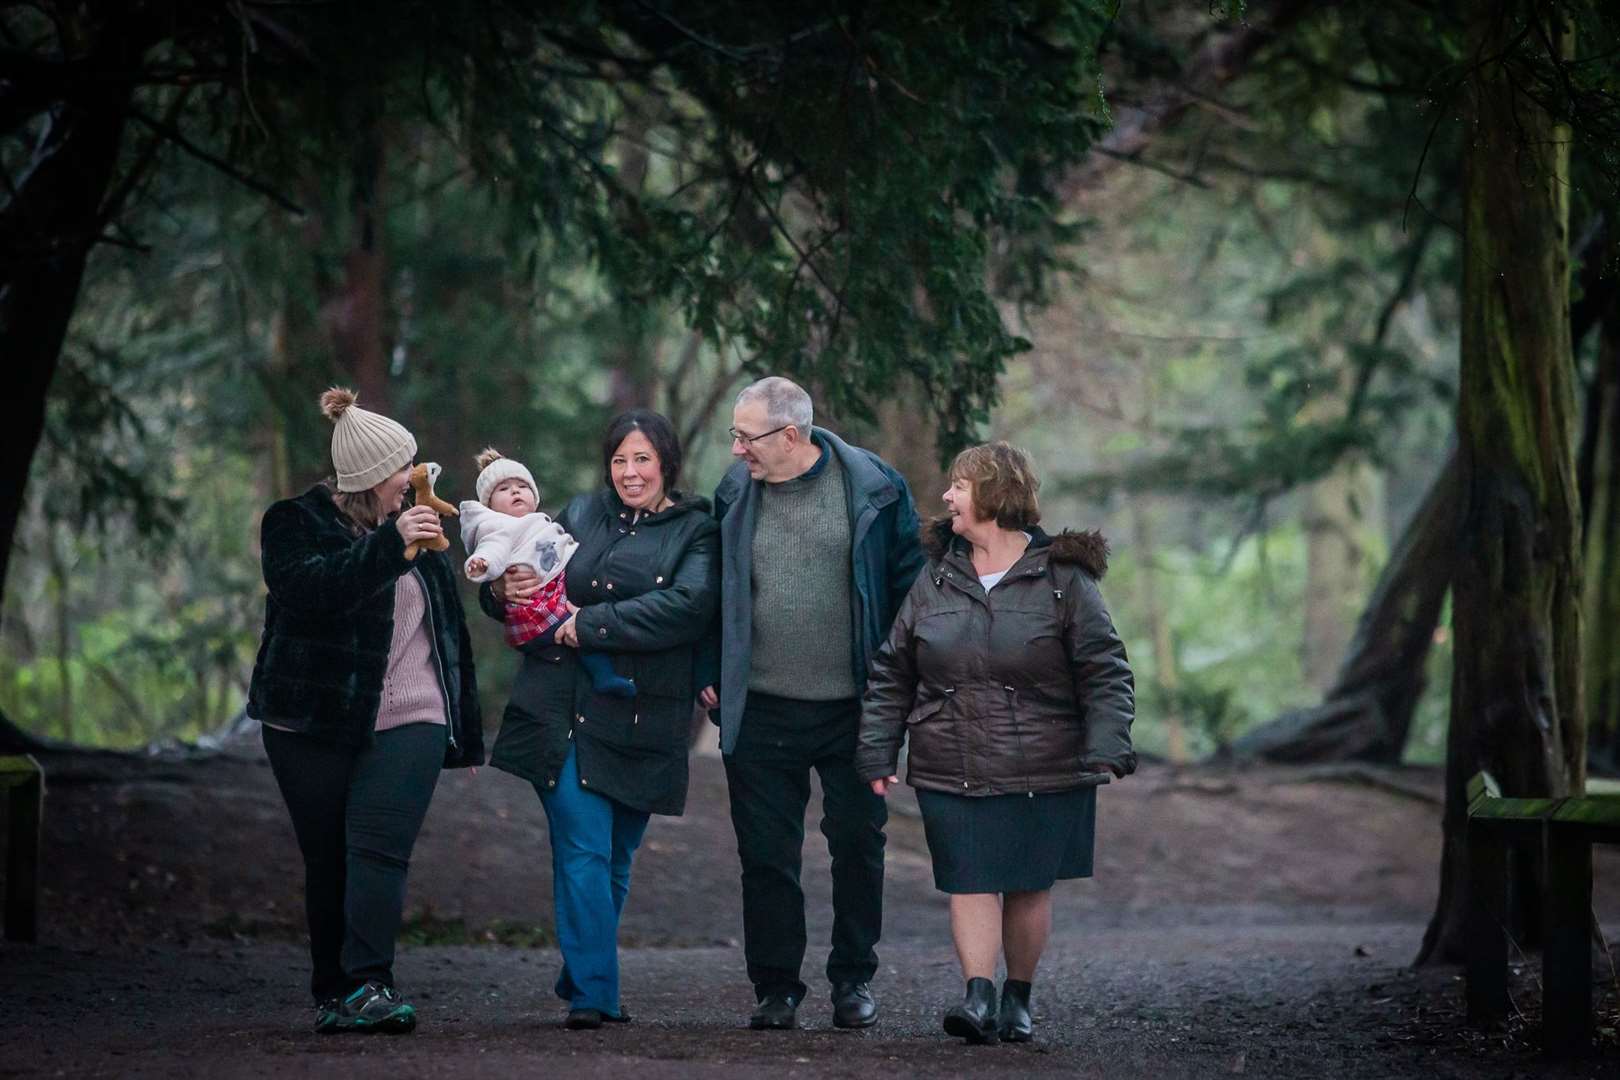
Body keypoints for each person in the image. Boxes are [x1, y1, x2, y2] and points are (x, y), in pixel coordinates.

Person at [855, 441, 1135, 1045]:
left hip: (1048, 762)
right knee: (969, 877)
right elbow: (893, 670)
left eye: (959, 485)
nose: (947, 497)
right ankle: (977, 997)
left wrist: (1108, 742)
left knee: (1028, 884)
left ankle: (1018, 998)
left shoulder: (1064, 579)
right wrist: (877, 749)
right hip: (948, 757)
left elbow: (1104, 668)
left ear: (994, 494)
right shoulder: (933, 578)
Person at [247, 387, 484, 1035]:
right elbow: (310, 592)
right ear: (371, 479)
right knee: (329, 858)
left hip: (412, 717)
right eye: (401, 471)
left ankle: (371, 985)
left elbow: (445, 631)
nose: (413, 480)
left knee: (379, 851)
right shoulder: (293, 523)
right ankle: (334, 993)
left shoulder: (415, 521)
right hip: (311, 721)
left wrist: (464, 733)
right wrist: (389, 547)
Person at [698, 376, 924, 1031]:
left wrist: (899, 689)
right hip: (761, 706)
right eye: (734, 436)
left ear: (791, 434)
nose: (738, 449)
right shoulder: (736, 491)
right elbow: (713, 589)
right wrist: (709, 667)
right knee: (766, 856)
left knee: (858, 846)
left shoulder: (875, 488)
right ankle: (776, 988)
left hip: (853, 708)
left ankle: (853, 980)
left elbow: (909, 589)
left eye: (747, 436)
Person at [482, 409, 719, 1029]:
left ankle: (582, 963)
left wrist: (589, 624)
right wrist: (501, 590)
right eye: (619, 460)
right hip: (560, 708)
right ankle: (595, 994)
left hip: (644, 714)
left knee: (616, 856)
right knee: (583, 847)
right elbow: (514, 559)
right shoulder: (581, 513)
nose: (630, 472)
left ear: (666, 460)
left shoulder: (697, 529)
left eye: (642, 459)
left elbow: (689, 606)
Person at [459, 447, 635, 698]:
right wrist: (483, 566)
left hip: (547, 602)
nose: (515, 491)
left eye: (522, 485)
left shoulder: (541, 523)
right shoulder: (498, 529)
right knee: (581, 630)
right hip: (535, 610)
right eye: (504, 489)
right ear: (489, 506)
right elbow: (492, 551)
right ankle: (604, 676)